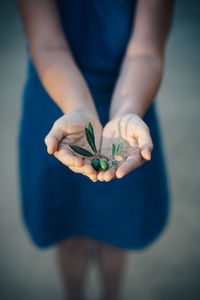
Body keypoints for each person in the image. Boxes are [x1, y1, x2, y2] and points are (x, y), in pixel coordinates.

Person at [17, 0, 174, 299]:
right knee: (68, 232)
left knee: (116, 231)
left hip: (131, 105)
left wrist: (127, 110)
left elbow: (146, 51)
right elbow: (47, 45)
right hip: (59, 108)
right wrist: (77, 107)